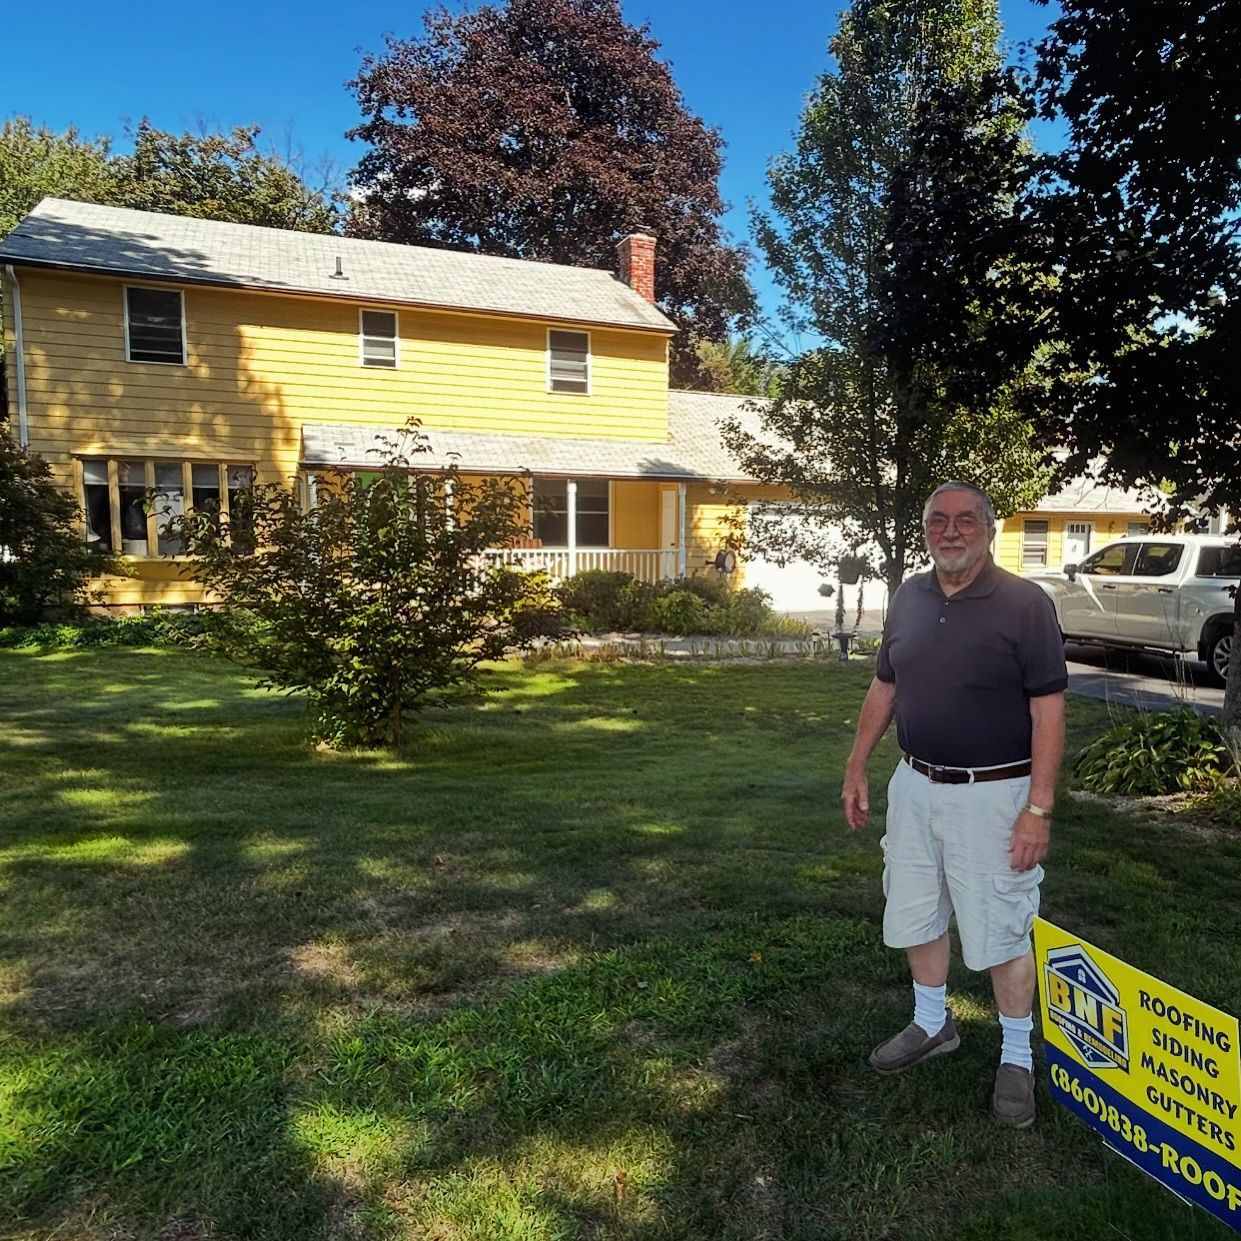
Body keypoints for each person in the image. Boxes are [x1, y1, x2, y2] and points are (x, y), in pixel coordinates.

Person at [841, 481, 1067, 1128]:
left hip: (994, 793)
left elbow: (1047, 710)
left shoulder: (1025, 605)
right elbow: (885, 683)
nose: (950, 530)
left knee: (1000, 924)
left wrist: (1039, 808)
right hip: (913, 785)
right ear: (923, 530)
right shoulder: (906, 596)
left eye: (965, 519)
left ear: (989, 529)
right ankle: (931, 1022)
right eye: (936, 519)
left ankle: (1017, 1055)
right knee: (915, 908)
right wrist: (857, 764)